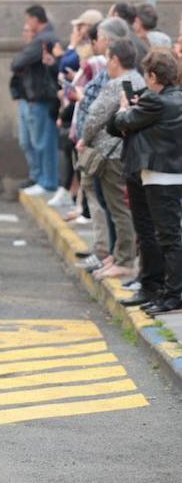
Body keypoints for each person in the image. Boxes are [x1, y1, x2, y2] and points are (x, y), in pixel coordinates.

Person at [109, 48, 182, 315]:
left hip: (159, 176)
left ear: (152, 76)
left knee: (168, 237)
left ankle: (173, 294)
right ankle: (169, 290)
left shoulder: (155, 102)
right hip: (173, 175)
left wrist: (125, 108)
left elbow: (120, 122)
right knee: (170, 235)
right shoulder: (175, 98)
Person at [79, 37, 142, 281]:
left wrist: (84, 138)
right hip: (126, 151)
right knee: (119, 207)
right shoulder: (138, 80)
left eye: (108, 59)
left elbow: (95, 116)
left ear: (115, 59)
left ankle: (124, 260)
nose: (107, 64)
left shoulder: (117, 84)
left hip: (112, 153)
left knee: (118, 209)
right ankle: (117, 255)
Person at [11, 5, 60, 198]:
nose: (27, 26)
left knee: (44, 142)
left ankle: (48, 182)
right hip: (37, 98)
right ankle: (43, 180)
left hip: (43, 98)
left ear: (34, 19)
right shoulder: (44, 39)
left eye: (28, 20)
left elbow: (17, 63)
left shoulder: (43, 39)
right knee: (36, 142)